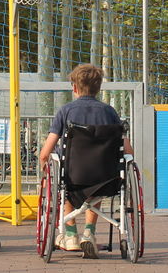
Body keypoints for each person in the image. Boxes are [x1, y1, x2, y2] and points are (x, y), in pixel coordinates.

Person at [38, 64, 134, 259]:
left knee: (62, 179)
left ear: (74, 87)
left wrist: (43, 164)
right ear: (98, 88)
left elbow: (45, 152)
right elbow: (129, 150)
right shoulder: (110, 112)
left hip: (73, 174)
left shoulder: (65, 111)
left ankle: (71, 235)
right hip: (105, 177)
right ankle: (89, 231)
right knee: (97, 182)